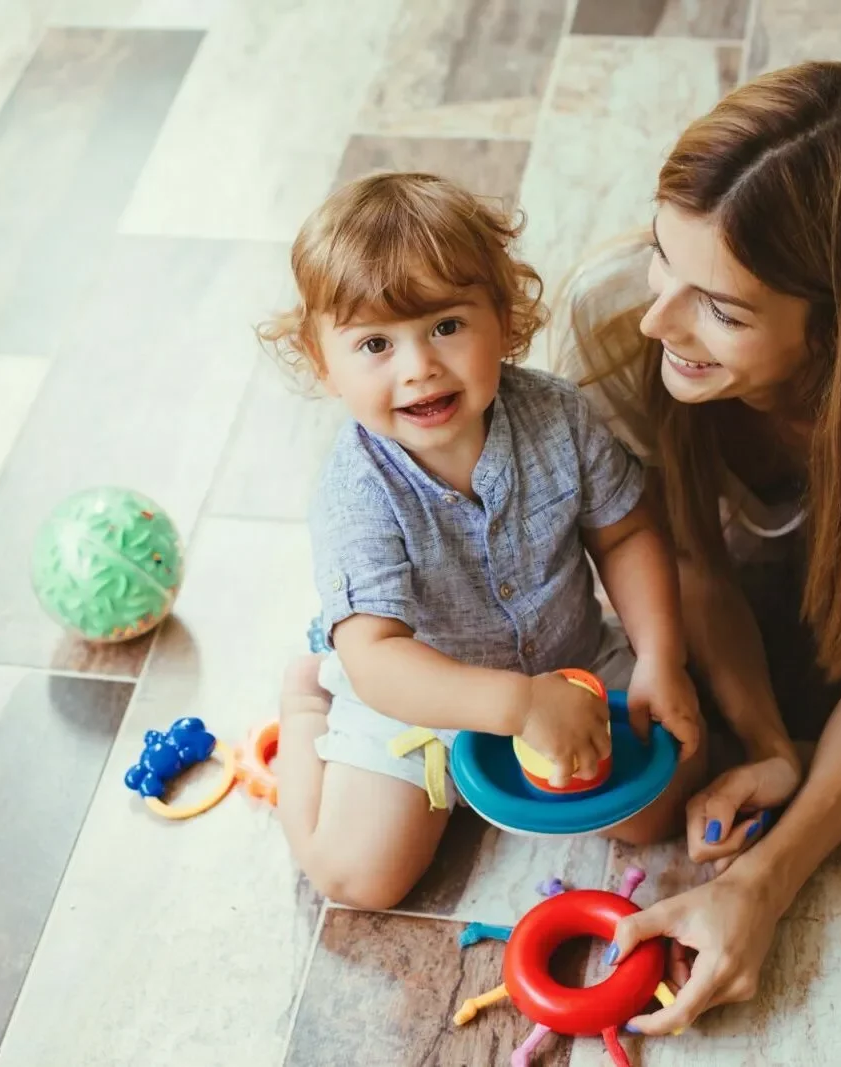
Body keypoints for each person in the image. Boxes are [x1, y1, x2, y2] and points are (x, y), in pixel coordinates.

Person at [258, 172, 703, 911]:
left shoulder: (556, 415)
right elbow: (378, 656)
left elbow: (626, 534)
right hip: (412, 699)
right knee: (357, 877)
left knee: (665, 799)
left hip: (570, 660)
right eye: (374, 343)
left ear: (503, 316)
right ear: (321, 363)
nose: (418, 366)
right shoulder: (356, 492)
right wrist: (515, 706)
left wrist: (660, 656)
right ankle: (306, 700)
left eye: (445, 326)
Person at [551, 59, 841, 1034]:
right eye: (665, 253)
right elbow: (681, 553)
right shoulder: (618, 317)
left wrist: (765, 882)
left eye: (722, 309)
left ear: (839, 337)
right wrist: (773, 745)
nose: (659, 318)